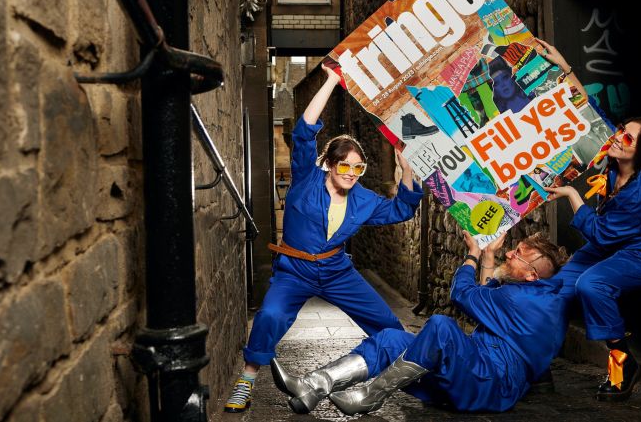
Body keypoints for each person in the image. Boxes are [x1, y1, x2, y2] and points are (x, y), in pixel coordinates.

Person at [224, 65, 424, 412]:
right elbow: (304, 132)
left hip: (336, 270)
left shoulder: (364, 200)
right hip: (295, 270)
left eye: (357, 168)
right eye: (344, 166)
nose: (350, 174)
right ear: (330, 164)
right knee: (270, 316)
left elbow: (401, 211)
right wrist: (333, 79)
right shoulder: (306, 179)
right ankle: (247, 380)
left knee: (388, 324)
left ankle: (383, 384)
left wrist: (406, 169)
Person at [270, 230, 569, 415]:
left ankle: (369, 397)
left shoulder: (519, 299)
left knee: (442, 326)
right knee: (391, 338)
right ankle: (313, 386)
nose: (509, 253)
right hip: (474, 376)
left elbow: (464, 294)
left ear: (532, 274)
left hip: (488, 385)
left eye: (516, 255)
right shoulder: (541, 297)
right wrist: (489, 256)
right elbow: (485, 299)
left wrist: (473, 254)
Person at [539, 39, 641, 402]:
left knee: (591, 285)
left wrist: (571, 195)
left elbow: (600, 231)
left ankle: (621, 362)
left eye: (627, 138)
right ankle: (535, 365)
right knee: (555, 290)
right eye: (621, 130)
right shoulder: (615, 158)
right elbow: (590, 115)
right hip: (607, 244)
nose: (617, 137)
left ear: (640, 153)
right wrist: (564, 67)